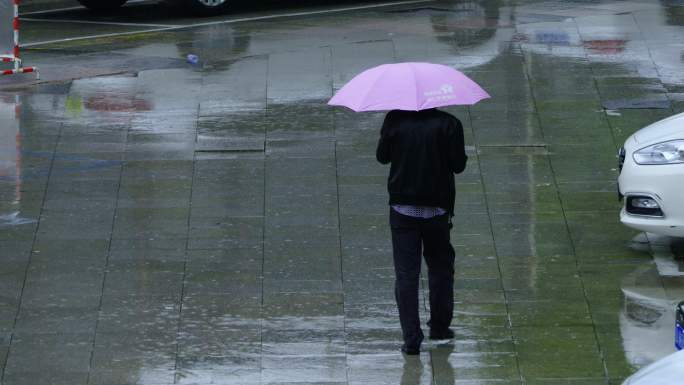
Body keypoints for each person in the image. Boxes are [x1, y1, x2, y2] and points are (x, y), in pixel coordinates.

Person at [376, 108, 468, 355]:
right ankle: (439, 326)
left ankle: (411, 339)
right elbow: (459, 165)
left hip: (402, 209)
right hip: (437, 209)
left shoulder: (395, 120)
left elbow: (382, 157)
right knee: (440, 267)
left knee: (406, 274)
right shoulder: (449, 123)